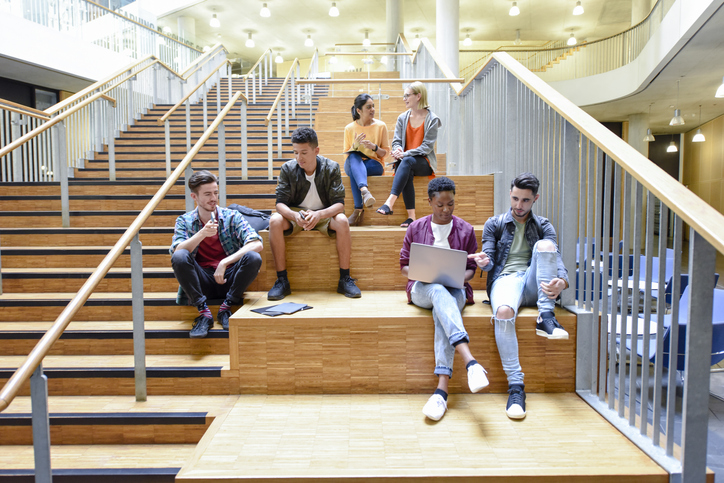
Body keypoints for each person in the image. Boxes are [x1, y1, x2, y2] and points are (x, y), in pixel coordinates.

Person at [469, 172, 569, 420]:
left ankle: (545, 316)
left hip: (537, 283)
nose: (518, 205)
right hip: (507, 280)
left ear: (535, 198)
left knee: (546, 246)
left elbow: (557, 261)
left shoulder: (543, 225)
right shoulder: (495, 223)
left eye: (525, 200)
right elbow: (490, 260)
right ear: (510, 195)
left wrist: (563, 282)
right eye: (515, 198)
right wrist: (484, 261)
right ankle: (516, 387)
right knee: (503, 312)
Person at [400, 177, 489, 421]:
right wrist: (422, 274)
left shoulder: (466, 229)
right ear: (430, 202)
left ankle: (441, 392)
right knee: (437, 290)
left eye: (450, 204)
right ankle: (470, 362)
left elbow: (471, 270)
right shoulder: (415, 228)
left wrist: (461, 278)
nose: (446, 209)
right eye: (440, 205)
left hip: (455, 290)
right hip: (422, 289)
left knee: (443, 305)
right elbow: (404, 266)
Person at [267, 126, 361, 300]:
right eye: (295, 152)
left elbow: (339, 205)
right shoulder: (288, 168)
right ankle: (282, 281)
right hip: (297, 214)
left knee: (342, 221)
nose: (298, 158)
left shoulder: (331, 167)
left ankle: (345, 278)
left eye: (303, 153)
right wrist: (295, 216)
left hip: (323, 213)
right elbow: (280, 204)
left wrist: (319, 215)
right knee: (274, 221)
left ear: (316, 150)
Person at [170, 170, 263, 339]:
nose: (213, 198)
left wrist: (225, 262)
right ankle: (204, 313)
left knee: (253, 257)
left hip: (229, 279)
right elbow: (177, 251)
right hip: (201, 281)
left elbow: (257, 243)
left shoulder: (231, 216)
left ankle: (226, 307)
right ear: (194, 197)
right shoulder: (184, 221)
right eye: (207, 194)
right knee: (179, 256)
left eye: (215, 192)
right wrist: (201, 234)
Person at [377, 81, 441, 228]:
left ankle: (389, 202)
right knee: (405, 165)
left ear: (418, 96)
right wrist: (398, 150)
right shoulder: (402, 118)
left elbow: (426, 147)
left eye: (407, 95)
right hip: (406, 161)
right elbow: (396, 141)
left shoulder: (432, 119)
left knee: (406, 162)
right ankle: (411, 217)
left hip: (424, 161)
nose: (404, 98)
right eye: (404, 96)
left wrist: (405, 154)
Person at [343, 93, 391, 226]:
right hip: (353, 161)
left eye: (373, 106)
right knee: (353, 156)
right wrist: (355, 147)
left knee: (354, 171)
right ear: (359, 110)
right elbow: (347, 155)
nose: (372, 109)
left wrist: (374, 147)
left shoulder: (381, 126)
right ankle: (365, 191)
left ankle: (358, 209)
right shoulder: (349, 128)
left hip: (374, 164)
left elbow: (385, 154)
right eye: (368, 107)